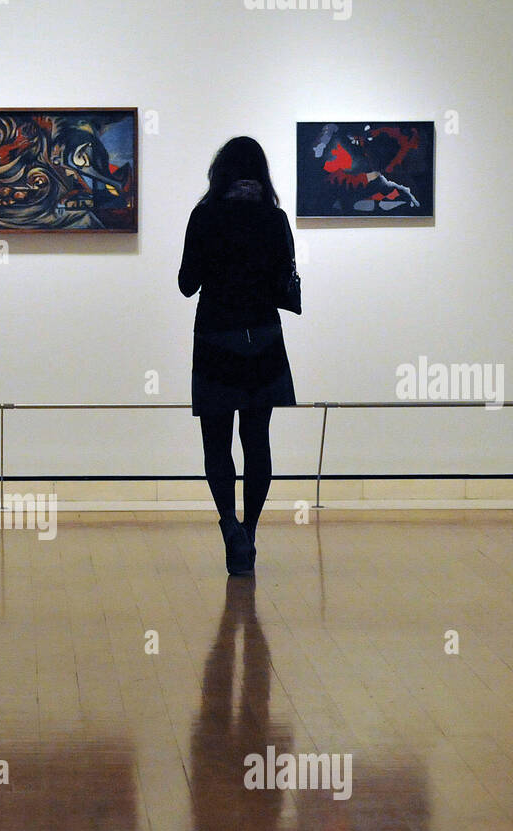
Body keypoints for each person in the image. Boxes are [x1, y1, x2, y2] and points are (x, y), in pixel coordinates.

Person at [179, 136, 299, 576]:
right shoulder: (275, 218)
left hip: (215, 337)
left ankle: (229, 525)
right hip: (263, 338)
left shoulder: (205, 216)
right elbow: (284, 279)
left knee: (216, 442)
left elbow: (186, 283)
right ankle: (250, 531)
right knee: (257, 440)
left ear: (220, 171)